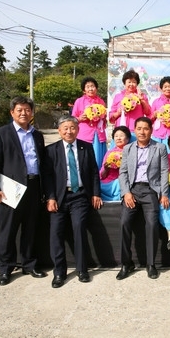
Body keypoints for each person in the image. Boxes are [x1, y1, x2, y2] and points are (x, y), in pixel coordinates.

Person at [0, 96, 48, 286]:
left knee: (31, 228)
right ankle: (5, 268)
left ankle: (29, 264)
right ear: (12, 112)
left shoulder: (37, 135)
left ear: (32, 113)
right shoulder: (0, 133)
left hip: (34, 186)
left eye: (27, 110)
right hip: (10, 188)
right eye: (19, 110)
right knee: (8, 229)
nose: (24, 113)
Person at [43, 115, 103, 288]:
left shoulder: (86, 147)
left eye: (72, 128)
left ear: (77, 129)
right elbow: (47, 176)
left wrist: (95, 193)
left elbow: (93, 172)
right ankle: (59, 272)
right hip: (59, 198)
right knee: (56, 234)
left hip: (80, 196)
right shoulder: (51, 150)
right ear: (59, 130)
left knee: (79, 230)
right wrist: (51, 197)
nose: (69, 131)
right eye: (65, 128)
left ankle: (82, 270)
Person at [117, 117, 169, 280]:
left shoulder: (160, 148)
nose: (142, 132)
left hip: (150, 190)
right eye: (139, 128)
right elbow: (123, 172)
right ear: (134, 130)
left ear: (151, 130)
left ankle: (150, 264)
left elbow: (164, 171)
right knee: (124, 222)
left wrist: (164, 193)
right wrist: (126, 192)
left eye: (145, 128)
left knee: (152, 224)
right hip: (132, 190)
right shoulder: (128, 148)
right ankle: (126, 263)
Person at [71, 76, 108, 168]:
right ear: (84, 90)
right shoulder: (79, 101)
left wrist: (102, 117)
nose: (90, 89)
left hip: (98, 135)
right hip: (85, 135)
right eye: (88, 87)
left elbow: (105, 120)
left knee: (98, 159)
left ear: (96, 88)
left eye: (92, 86)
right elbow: (72, 119)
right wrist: (80, 118)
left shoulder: (101, 101)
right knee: (84, 159)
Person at [108, 69, 152, 134]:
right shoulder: (118, 96)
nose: (131, 84)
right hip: (120, 131)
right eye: (129, 82)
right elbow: (111, 117)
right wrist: (118, 112)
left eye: (134, 82)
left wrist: (142, 100)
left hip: (136, 131)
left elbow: (148, 112)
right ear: (124, 83)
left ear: (137, 84)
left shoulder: (142, 96)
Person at [99, 126, 131, 202]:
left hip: (123, 180)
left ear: (127, 139)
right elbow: (102, 175)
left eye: (121, 136)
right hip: (109, 180)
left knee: (119, 183)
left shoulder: (131, 152)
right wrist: (106, 169)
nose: (118, 138)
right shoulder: (109, 153)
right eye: (116, 136)